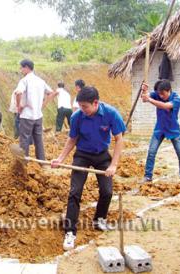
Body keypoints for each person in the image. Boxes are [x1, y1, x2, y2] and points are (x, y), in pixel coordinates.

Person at [51, 86, 126, 251]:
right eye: (80, 106)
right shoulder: (78, 116)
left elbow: (119, 140)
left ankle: (99, 219)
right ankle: (70, 232)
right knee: (74, 192)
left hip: (102, 155)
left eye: (85, 106)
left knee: (107, 191)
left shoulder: (111, 114)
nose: (82, 110)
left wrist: (113, 165)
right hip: (82, 155)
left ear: (95, 103)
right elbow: (72, 139)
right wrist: (60, 158)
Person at [141, 79, 180, 186]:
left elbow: (165, 106)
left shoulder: (176, 98)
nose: (161, 96)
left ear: (168, 90)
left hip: (173, 129)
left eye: (163, 94)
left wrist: (149, 99)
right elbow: (145, 97)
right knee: (151, 152)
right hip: (159, 128)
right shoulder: (158, 94)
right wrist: (144, 91)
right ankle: (148, 176)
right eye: (159, 94)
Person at [15, 59, 55, 160]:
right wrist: (42, 105)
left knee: (24, 140)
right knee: (38, 140)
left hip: (27, 115)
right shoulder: (40, 81)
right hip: (38, 115)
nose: (21, 70)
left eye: (21, 68)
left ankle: (24, 163)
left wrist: (19, 105)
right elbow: (51, 93)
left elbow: (18, 92)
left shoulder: (24, 80)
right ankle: (42, 162)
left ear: (27, 68)